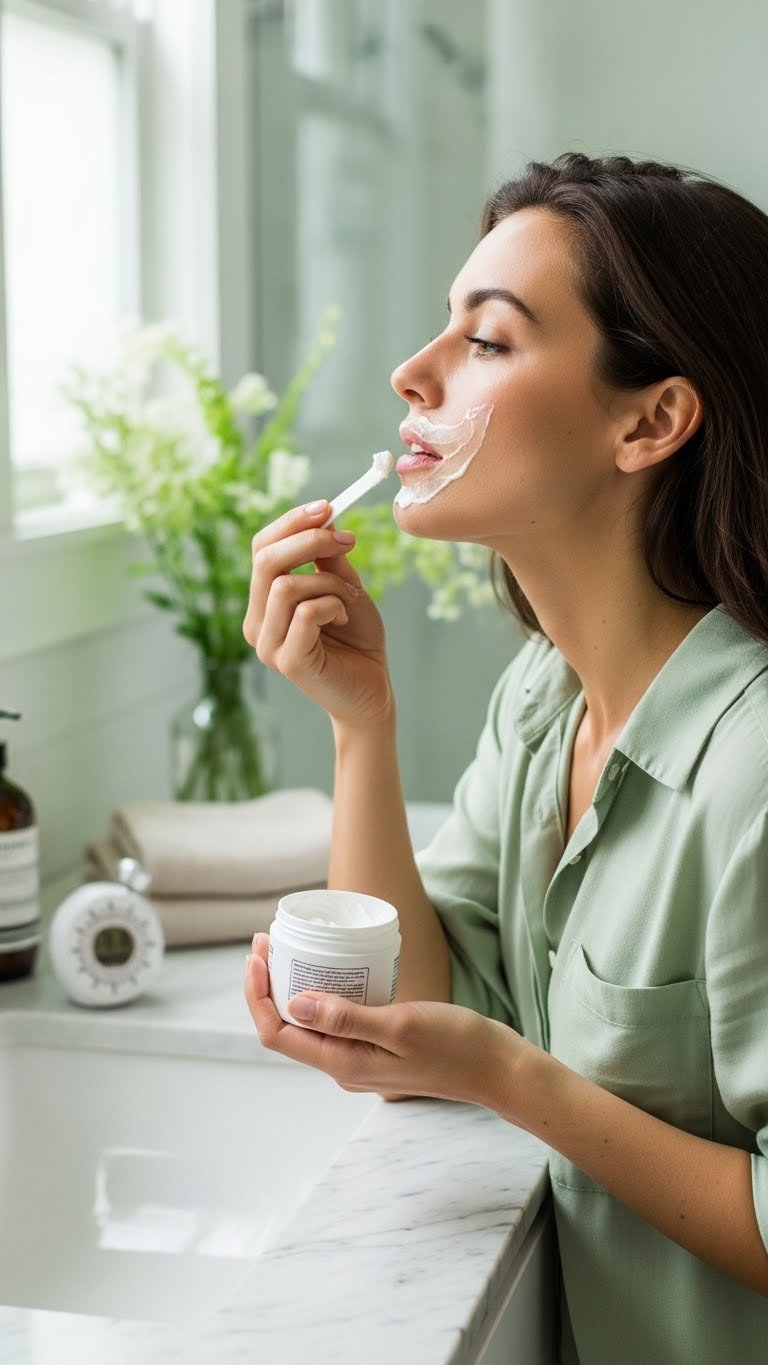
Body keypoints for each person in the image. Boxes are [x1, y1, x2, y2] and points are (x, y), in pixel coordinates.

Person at [242, 152, 768, 1363]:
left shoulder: (753, 781)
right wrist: (357, 724)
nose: (410, 375)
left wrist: (513, 1078)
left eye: (487, 341)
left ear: (651, 421)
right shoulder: (543, 700)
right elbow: (426, 1006)